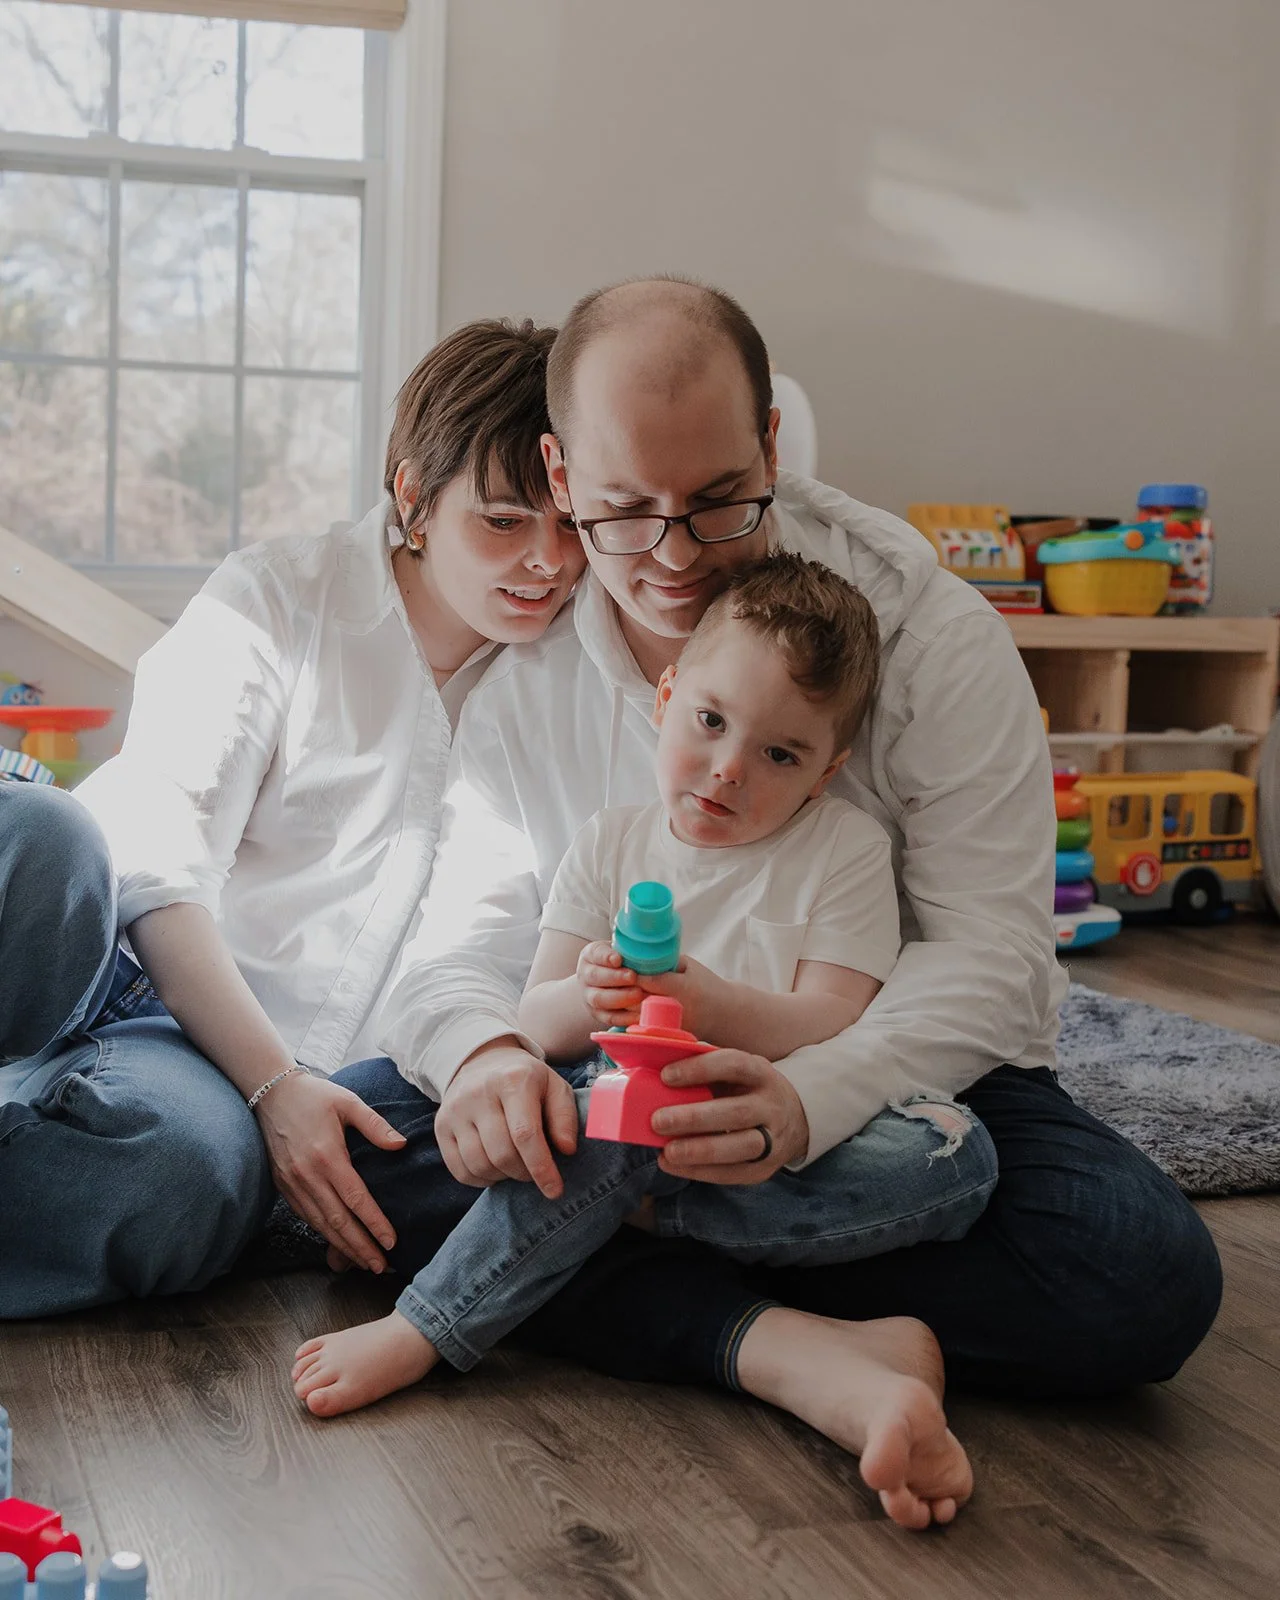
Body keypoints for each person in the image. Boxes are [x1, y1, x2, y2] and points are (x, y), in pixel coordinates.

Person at [331, 276, 1220, 1464]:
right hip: (623, 1082)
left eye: (714, 500)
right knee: (357, 1153)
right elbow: (461, 942)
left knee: (1137, 1268)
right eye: (622, 509)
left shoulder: (929, 640)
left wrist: (808, 1102)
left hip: (890, 1071)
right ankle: (789, 1346)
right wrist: (487, 1053)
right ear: (559, 477)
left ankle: (595, 1270)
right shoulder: (535, 658)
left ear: (770, 443)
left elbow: (989, 966)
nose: (671, 555)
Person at [295, 555, 997, 1525]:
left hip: (773, 1147)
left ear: (826, 770)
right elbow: (537, 1021)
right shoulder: (613, 844)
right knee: (413, 1117)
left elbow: (832, 1019)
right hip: (630, 1121)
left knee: (960, 1152)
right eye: (709, 722)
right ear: (666, 697)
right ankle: (468, 1307)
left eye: (778, 755)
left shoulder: (840, 850)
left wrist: (706, 1002)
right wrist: (590, 1000)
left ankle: (518, 1265)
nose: (726, 769)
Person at [0, 318, 585, 1317]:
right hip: (141, 973)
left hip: (206, 1082)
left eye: (570, 525)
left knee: (180, 1180)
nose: (545, 562)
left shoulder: (576, 665)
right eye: (501, 522)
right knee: (48, 847)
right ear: (412, 496)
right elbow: (160, 870)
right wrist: (275, 1087)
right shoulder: (280, 597)